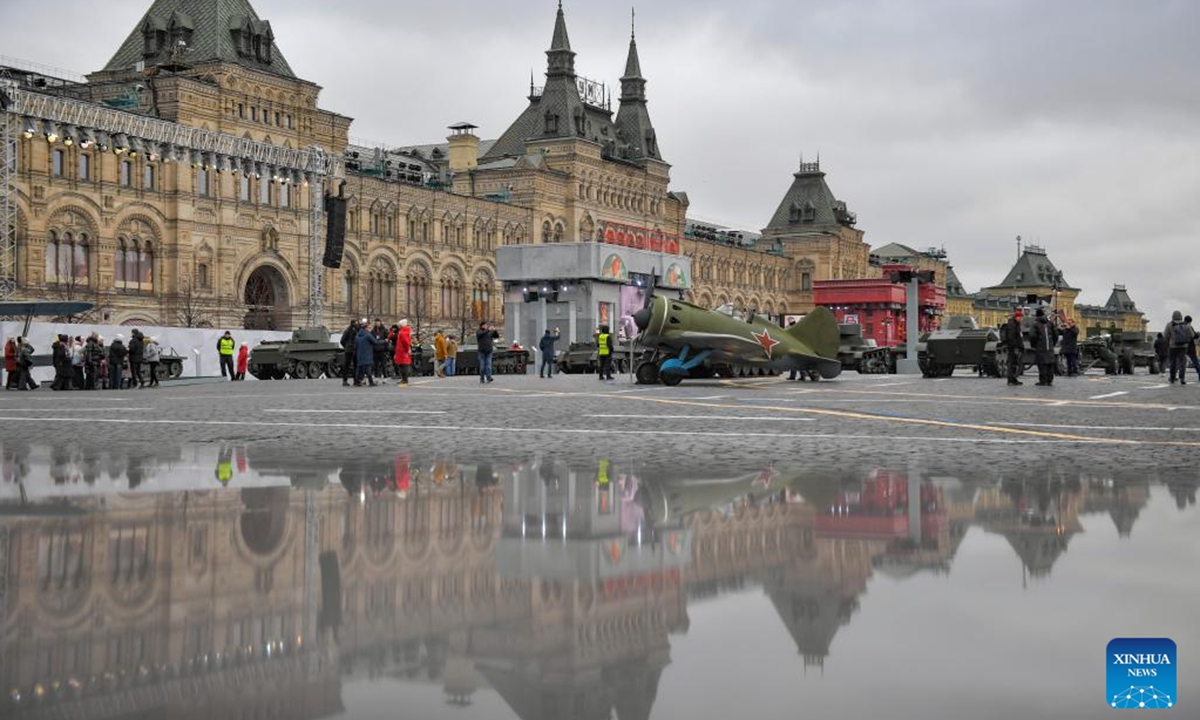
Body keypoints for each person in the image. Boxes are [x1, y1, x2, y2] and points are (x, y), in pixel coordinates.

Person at [1165, 310, 1194, 385]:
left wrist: (1170, 339)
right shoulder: (1186, 325)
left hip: (1172, 347)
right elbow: (1192, 335)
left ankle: (1172, 378)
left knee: (1172, 362)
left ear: (1173, 316)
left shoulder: (1169, 324)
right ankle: (1182, 378)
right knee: (1182, 363)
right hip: (1183, 347)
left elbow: (1165, 336)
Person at [1031, 308, 1058, 386]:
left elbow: (1032, 335)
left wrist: (1034, 344)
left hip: (1040, 346)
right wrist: (1053, 343)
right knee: (1050, 363)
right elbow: (1055, 334)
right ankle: (1049, 380)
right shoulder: (1049, 323)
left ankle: (1043, 380)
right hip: (1050, 346)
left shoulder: (1035, 324)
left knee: (1042, 364)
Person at [1001, 308, 1025, 386]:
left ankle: (1013, 379)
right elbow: (1012, 337)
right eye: (1020, 317)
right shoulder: (1012, 324)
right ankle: (1011, 379)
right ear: (1017, 317)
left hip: (1015, 347)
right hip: (1013, 347)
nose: (1021, 319)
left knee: (1014, 363)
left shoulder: (1015, 324)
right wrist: (1015, 347)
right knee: (1011, 363)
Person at [340, 319, 360, 386]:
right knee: (347, 366)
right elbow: (342, 340)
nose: (356, 325)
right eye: (355, 323)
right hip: (349, 350)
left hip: (354, 350)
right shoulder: (348, 331)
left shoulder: (358, 331)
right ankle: (345, 380)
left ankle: (355, 380)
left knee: (355, 366)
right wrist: (346, 346)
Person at [393, 319, 413, 386]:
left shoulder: (403, 332)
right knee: (403, 365)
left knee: (403, 365)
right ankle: (404, 379)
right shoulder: (404, 331)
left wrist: (407, 350)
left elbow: (406, 342)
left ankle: (405, 380)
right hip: (402, 351)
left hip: (403, 351)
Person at [1186, 316, 1200, 382]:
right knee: (1195, 362)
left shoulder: (1181, 326)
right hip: (1190, 347)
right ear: (1190, 321)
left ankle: (1178, 377)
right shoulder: (1189, 327)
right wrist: (1197, 334)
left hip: (1181, 347)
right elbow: (1193, 336)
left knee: (1180, 362)